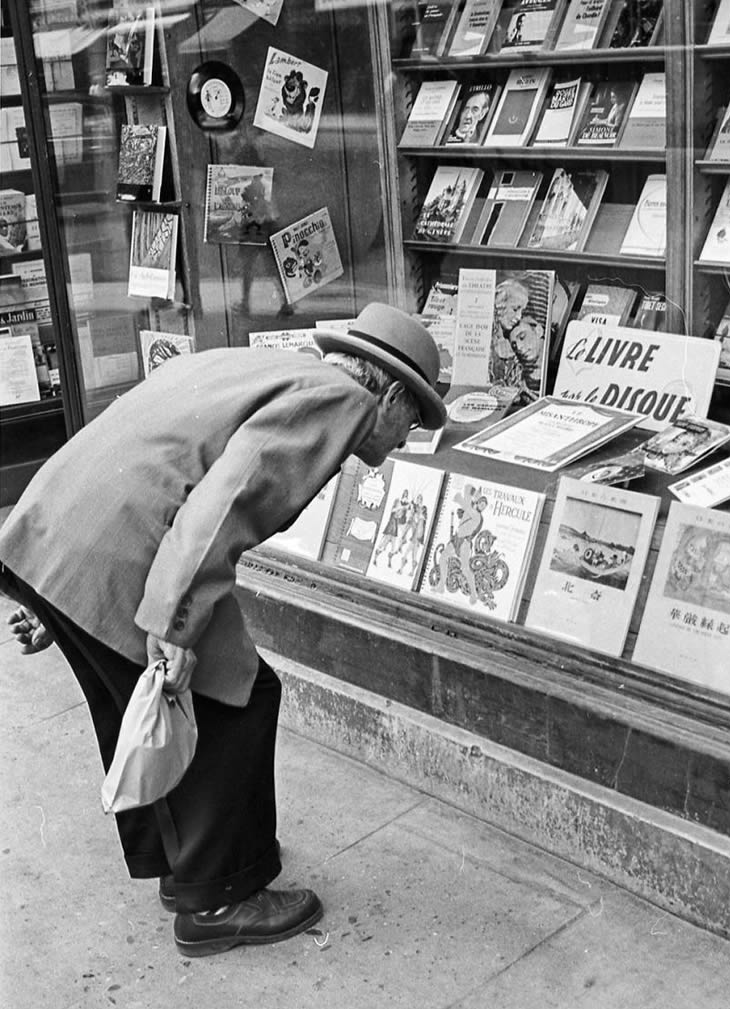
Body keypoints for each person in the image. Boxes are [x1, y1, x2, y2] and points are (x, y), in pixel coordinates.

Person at [0, 302, 446, 959]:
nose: (408, 437)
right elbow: (223, 504)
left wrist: (56, 583)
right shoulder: (341, 400)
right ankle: (217, 896)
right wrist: (173, 623)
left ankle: (183, 864)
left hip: (65, 528)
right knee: (235, 697)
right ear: (390, 393)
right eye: (416, 418)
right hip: (126, 553)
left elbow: (133, 438)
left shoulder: (268, 368)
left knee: (142, 700)